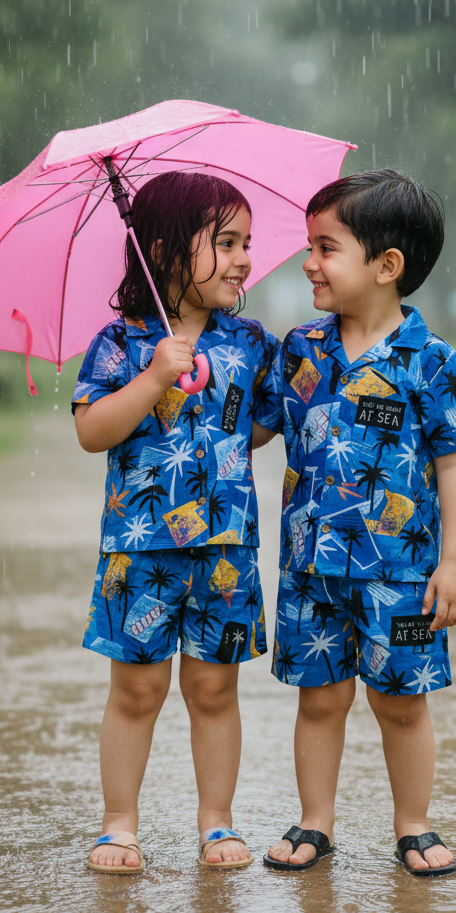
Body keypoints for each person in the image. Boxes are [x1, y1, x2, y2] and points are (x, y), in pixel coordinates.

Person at [263, 169, 456, 876]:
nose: (308, 262)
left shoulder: (430, 362)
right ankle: (314, 823)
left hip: (403, 575)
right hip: (310, 569)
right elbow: (256, 431)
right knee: (320, 700)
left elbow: (455, 465)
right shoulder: (302, 348)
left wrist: (454, 563)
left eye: (326, 247)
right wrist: (195, 381)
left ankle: (414, 825)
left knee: (402, 703)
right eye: (309, 246)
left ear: (386, 266)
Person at [73, 171, 280, 874]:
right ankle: (119, 824)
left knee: (215, 689)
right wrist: (154, 378)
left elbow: (258, 427)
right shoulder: (120, 344)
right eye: (225, 242)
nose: (243, 259)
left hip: (224, 553)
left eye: (246, 242)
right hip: (142, 552)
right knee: (136, 689)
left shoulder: (249, 341)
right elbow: (93, 430)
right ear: (162, 250)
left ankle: (216, 823)